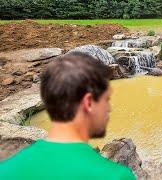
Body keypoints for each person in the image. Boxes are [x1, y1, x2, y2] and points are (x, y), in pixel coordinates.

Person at [0, 52, 136, 180]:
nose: (109, 108)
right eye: (106, 100)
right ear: (88, 102)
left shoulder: (5, 170)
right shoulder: (116, 176)